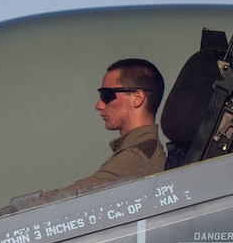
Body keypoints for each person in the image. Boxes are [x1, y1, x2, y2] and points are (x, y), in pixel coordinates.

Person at [42, 58, 167, 199]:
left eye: (106, 95)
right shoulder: (141, 151)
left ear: (137, 98)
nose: (99, 105)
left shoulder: (136, 156)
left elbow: (69, 198)